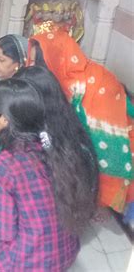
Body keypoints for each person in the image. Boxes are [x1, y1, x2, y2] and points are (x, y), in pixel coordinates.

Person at [0, 78, 98, 270]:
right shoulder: (53, 144)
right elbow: (32, 186)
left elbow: (3, 233)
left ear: (5, 119)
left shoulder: (5, 162)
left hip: (28, 264)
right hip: (64, 256)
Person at [28, 31, 133, 222]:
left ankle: (101, 200)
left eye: (36, 62)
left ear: (53, 60)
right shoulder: (55, 81)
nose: (31, 66)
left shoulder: (99, 83)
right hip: (80, 141)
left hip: (117, 143)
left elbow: (108, 145)